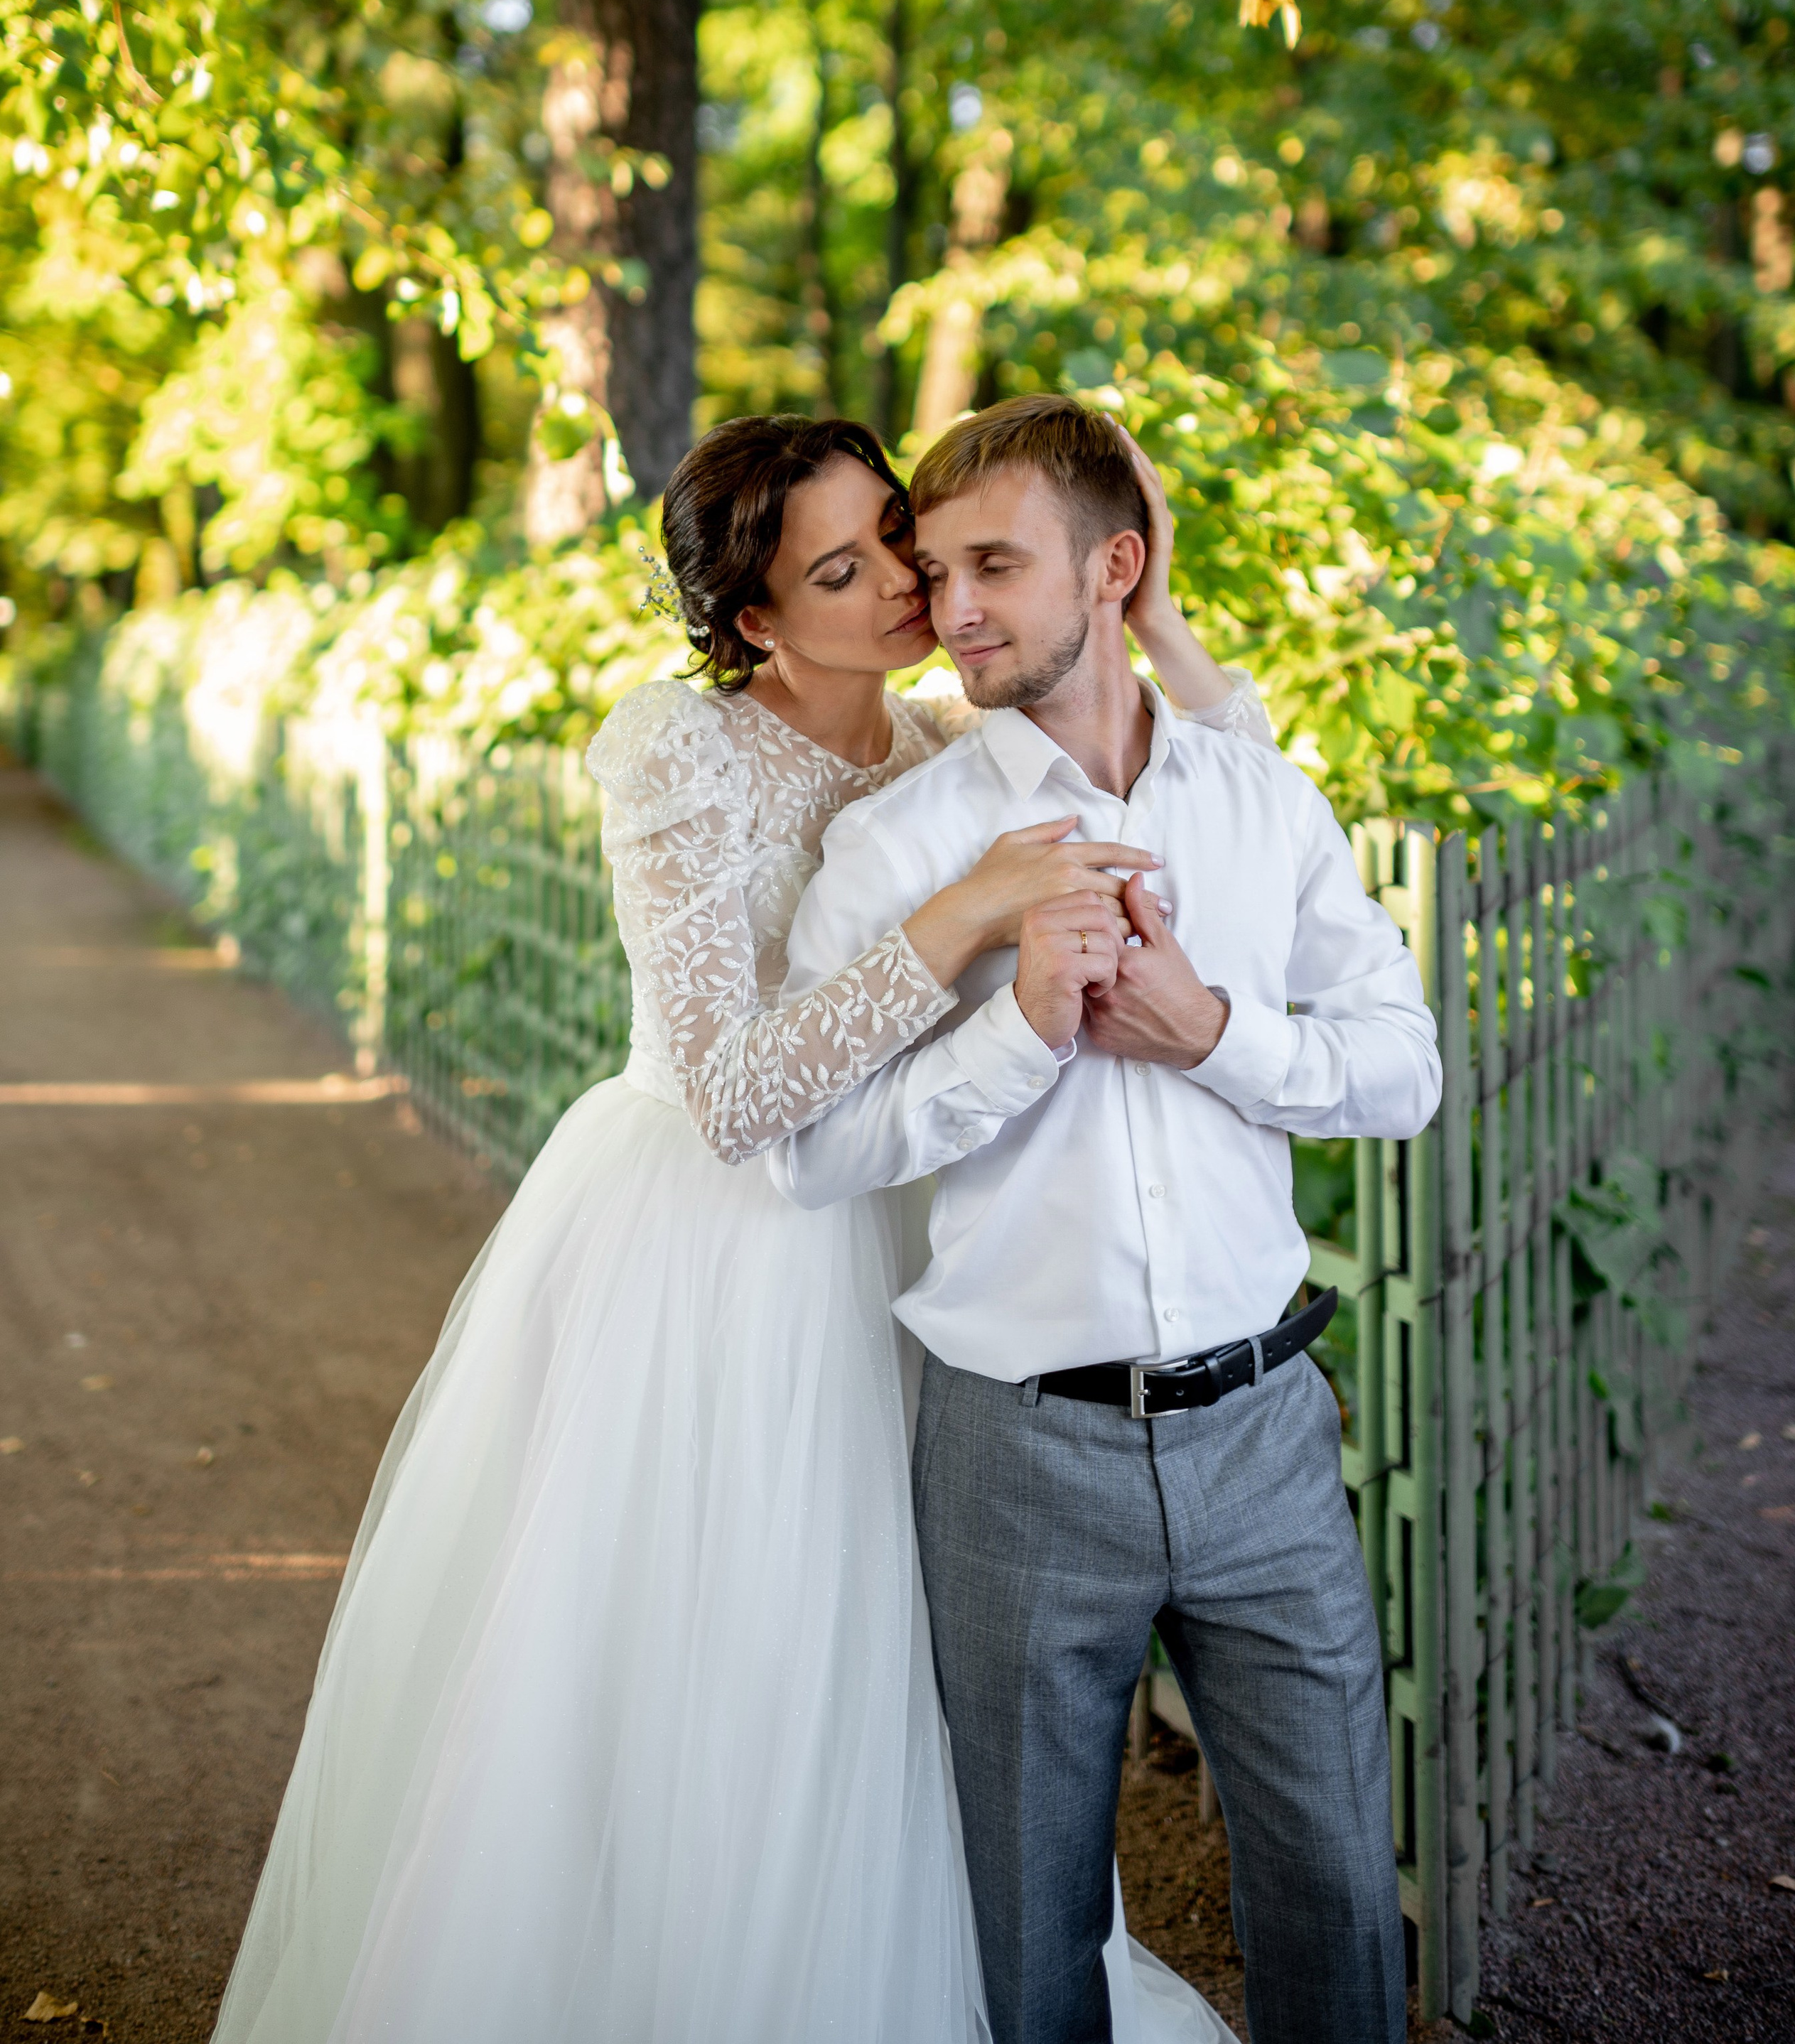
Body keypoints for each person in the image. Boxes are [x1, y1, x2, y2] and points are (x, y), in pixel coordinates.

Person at [210, 411, 1267, 2044]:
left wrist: (1162, 616)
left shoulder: (944, 741)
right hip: (714, 1256)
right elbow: (726, 1088)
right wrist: (962, 909)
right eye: (839, 572)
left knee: (912, 1660)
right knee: (716, 1646)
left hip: (908, 1226)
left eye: (894, 545)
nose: (904, 588)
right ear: (755, 618)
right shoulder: (675, 746)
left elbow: (1219, 779)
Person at [770, 394, 1443, 2044]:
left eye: (995, 563)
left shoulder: (1262, 803)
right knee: (1027, 1934)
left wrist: (1213, 1033)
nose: (956, 610)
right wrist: (1019, 1031)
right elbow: (807, 1151)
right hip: (1015, 1453)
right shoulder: (898, 848)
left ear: (1114, 568)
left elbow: (1401, 1068)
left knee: (1339, 1892)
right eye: (936, 569)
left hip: (1266, 1432)